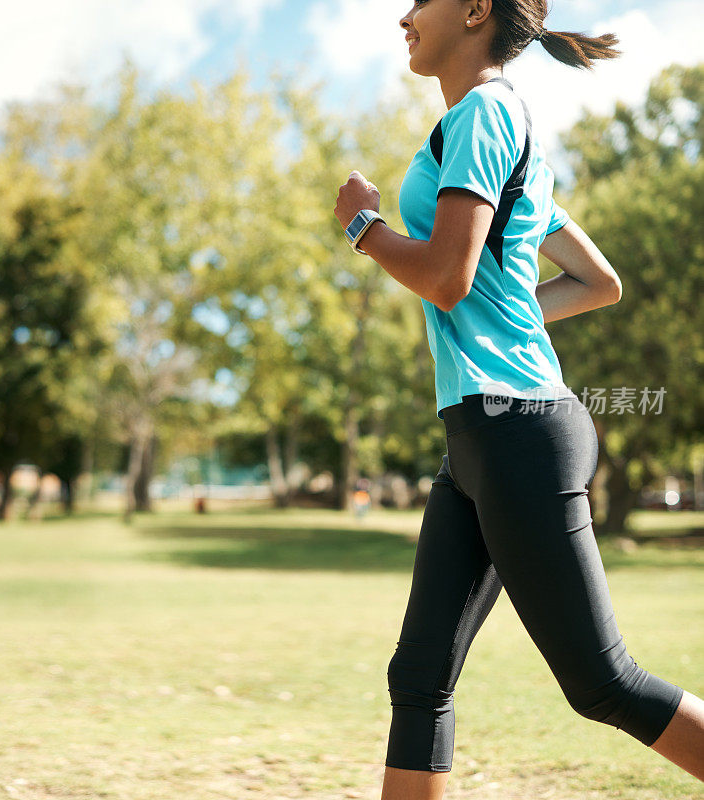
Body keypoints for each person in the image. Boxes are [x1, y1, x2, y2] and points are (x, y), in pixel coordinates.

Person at [332, 1, 704, 798]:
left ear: (474, 11)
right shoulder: (499, 131)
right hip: (483, 434)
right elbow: (596, 283)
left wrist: (363, 225)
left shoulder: (486, 114)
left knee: (601, 681)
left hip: (518, 431)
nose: (404, 13)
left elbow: (445, 276)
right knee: (421, 673)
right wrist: (506, 309)